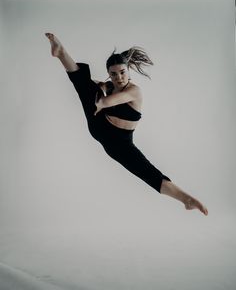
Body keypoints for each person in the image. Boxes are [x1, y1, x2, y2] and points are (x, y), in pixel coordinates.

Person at [45, 32, 208, 216]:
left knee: (149, 173)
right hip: (101, 126)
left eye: (122, 72)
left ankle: (187, 199)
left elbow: (106, 102)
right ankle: (61, 52)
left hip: (119, 145)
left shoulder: (134, 91)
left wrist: (98, 98)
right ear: (109, 74)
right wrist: (93, 86)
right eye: (113, 74)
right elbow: (94, 85)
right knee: (83, 84)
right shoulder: (110, 86)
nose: (119, 77)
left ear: (128, 71)